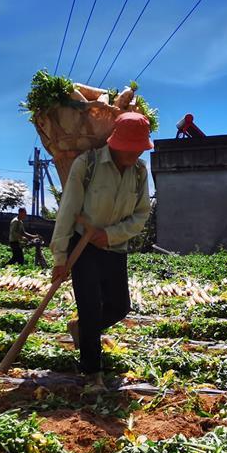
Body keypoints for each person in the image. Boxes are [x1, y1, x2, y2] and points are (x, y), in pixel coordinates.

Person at [50, 112, 153, 392]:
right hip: (82, 247)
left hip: (114, 246)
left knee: (120, 306)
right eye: (129, 148)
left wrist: (109, 235)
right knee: (91, 307)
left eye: (138, 149)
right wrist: (60, 258)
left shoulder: (140, 172)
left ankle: (81, 329)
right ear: (115, 142)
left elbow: (142, 214)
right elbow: (68, 211)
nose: (134, 154)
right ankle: (92, 375)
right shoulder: (88, 164)